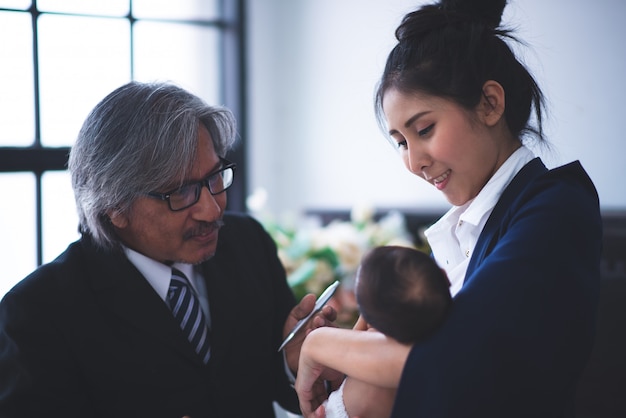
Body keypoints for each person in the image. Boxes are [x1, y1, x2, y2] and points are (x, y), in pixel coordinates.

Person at [295, 0, 602, 417]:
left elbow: (451, 356)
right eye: (402, 142)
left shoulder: (555, 209)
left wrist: (323, 345)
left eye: (424, 130)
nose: (414, 161)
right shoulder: (471, 228)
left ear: (490, 104)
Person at [0, 81, 335, 418]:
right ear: (115, 207)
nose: (212, 209)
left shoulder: (248, 243)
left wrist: (293, 363)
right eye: (182, 192)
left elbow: (269, 386)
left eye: (215, 177)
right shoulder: (36, 313)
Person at [323, 245, 452, 418]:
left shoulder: (367, 352)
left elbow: (351, 343)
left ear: (366, 317)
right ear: (446, 277)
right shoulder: (443, 350)